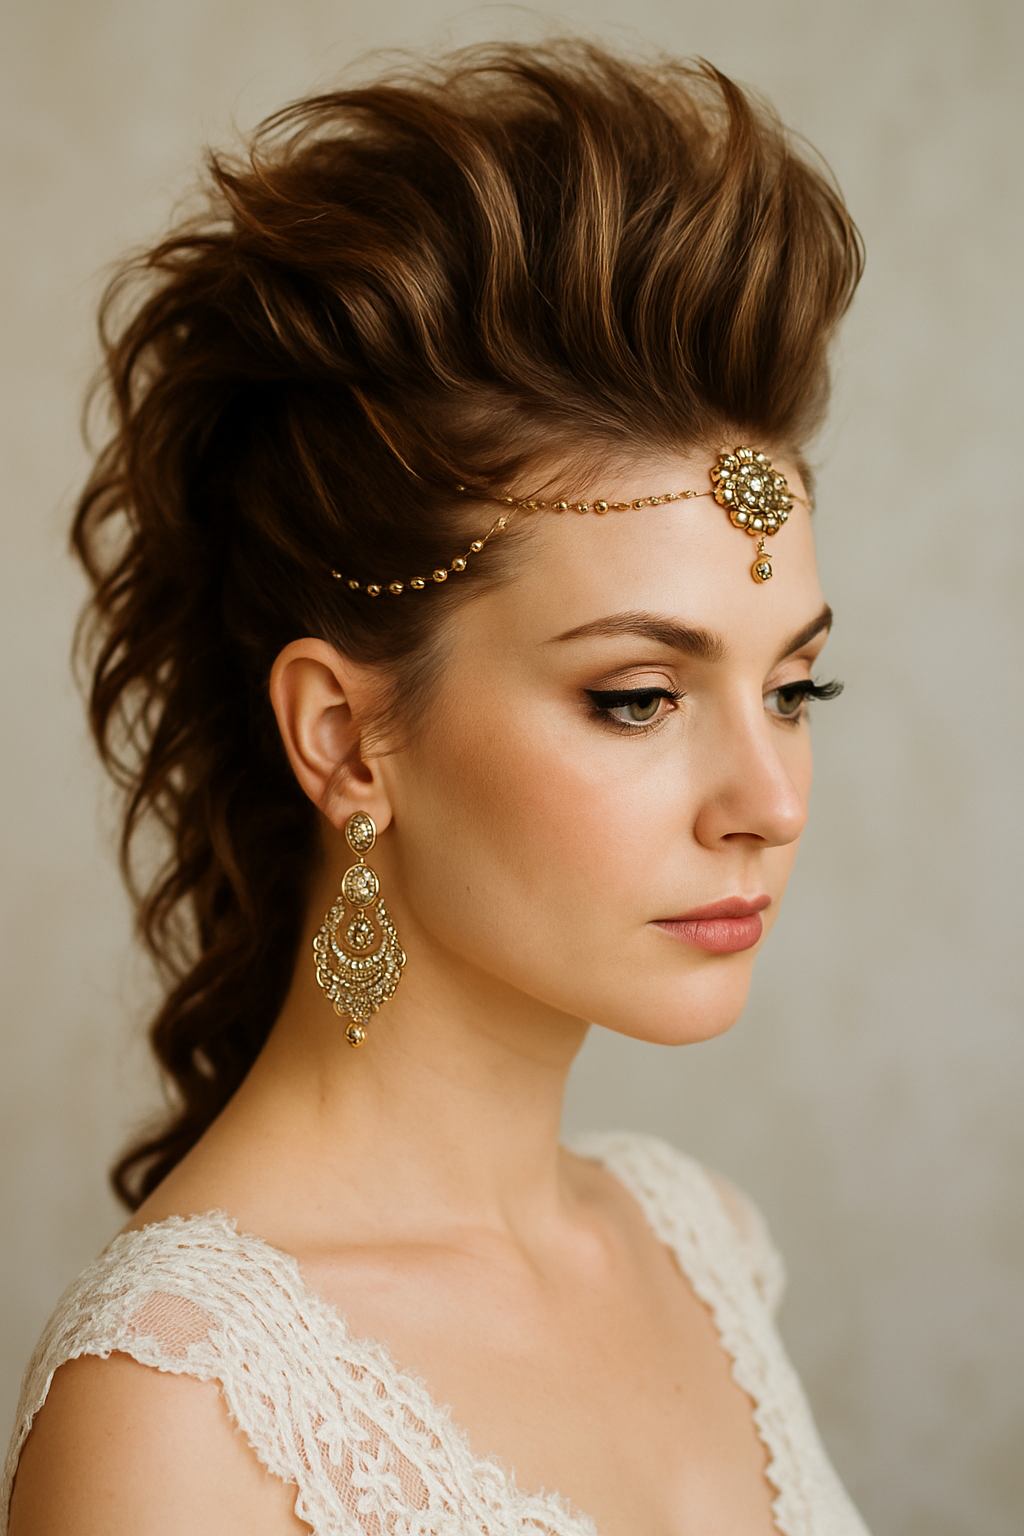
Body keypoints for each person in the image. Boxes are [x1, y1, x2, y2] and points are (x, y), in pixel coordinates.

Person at [2, 40, 870, 1536]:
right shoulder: (176, 1421)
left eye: (794, 689)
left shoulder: (702, 1244)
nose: (769, 798)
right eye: (640, 698)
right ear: (345, 737)